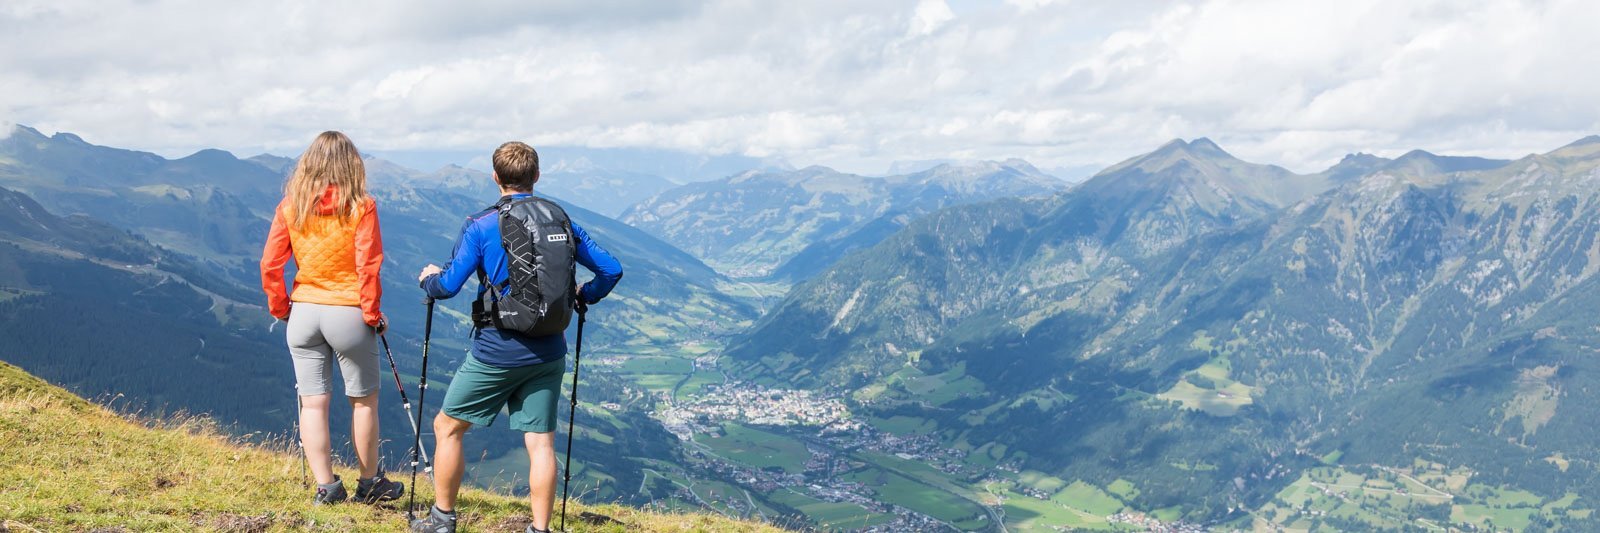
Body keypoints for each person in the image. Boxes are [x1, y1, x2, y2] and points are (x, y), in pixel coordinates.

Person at [411, 141, 622, 533]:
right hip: (550, 351)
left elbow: (449, 285)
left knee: (447, 427)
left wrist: (428, 280)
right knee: (541, 442)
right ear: (536, 176)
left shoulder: (481, 225)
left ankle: (442, 519)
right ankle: (540, 529)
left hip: (497, 350)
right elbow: (611, 269)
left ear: (496, 177)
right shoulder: (560, 219)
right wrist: (584, 295)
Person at [260, 131, 404, 505]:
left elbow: (270, 264)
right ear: (351, 164)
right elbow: (368, 266)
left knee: (312, 403)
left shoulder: (291, 206)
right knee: (363, 402)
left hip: (304, 312)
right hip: (348, 312)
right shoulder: (362, 206)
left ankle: (326, 486)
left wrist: (281, 309)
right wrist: (372, 313)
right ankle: (370, 483)